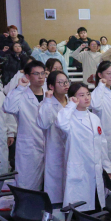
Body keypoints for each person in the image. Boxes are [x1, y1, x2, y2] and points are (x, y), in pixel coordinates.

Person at [57, 82, 111, 212]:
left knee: (97, 207)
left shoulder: (94, 118)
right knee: (80, 210)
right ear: (73, 98)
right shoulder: (70, 119)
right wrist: (71, 105)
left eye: (88, 94)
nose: (86, 98)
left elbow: (102, 144)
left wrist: (107, 167)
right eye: (81, 95)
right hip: (79, 172)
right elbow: (61, 123)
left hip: (96, 171)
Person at [3, 60, 48, 190]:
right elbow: (8, 108)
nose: (40, 77)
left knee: (50, 185)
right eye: (36, 74)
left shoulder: (50, 94)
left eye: (43, 73)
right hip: (29, 146)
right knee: (28, 184)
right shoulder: (21, 95)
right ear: (27, 76)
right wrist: (20, 87)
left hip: (49, 145)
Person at [37, 70, 70, 203]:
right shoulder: (45, 104)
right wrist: (48, 100)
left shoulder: (72, 102)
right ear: (51, 86)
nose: (65, 85)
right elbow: (44, 124)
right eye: (61, 82)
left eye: (66, 82)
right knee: (56, 190)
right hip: (55, 151)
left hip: (72, 151)